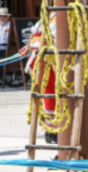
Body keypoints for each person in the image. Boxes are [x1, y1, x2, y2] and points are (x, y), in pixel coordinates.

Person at [18, 12, 58, 144]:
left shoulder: (56, 13)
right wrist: (28, 46)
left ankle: (50, 127)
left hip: (42, 55)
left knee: (49, 92)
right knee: (49, 91)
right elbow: (35, 31)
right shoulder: (52, 14)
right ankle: (51, 129)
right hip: (44, 57)